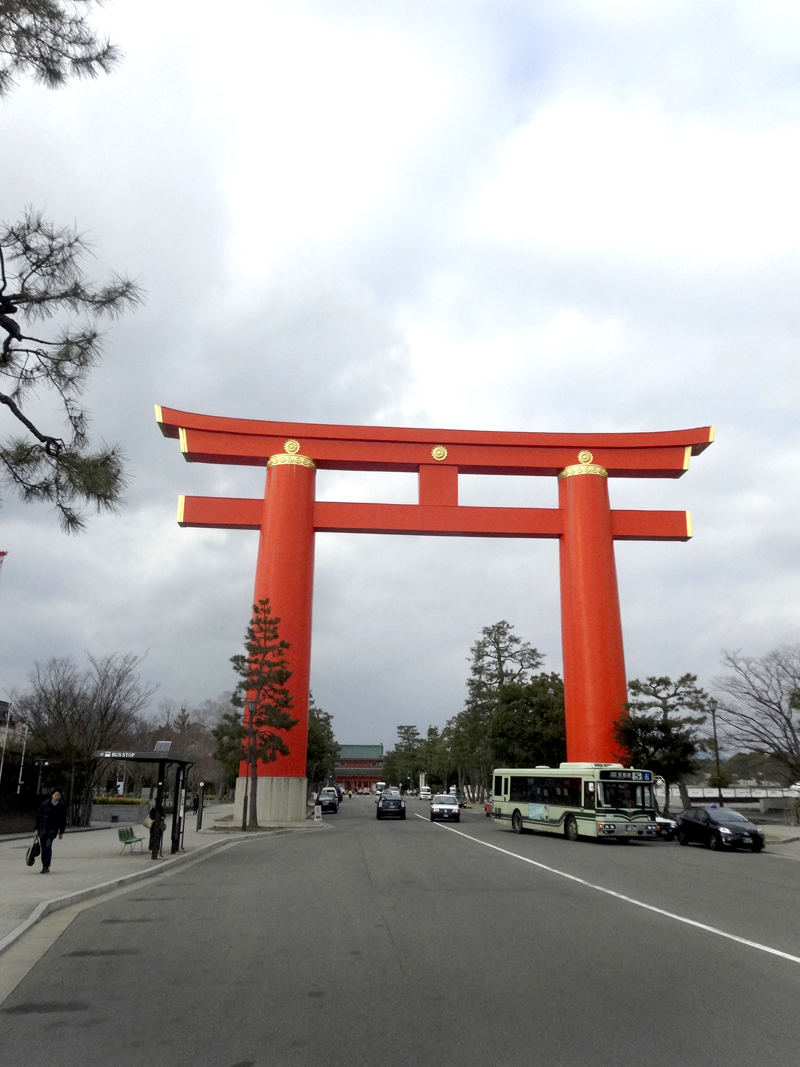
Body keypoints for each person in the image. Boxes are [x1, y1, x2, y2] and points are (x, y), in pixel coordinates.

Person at [34, 788, 67, 874]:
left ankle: (47, 865)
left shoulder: (60, 807)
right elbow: (38, 816)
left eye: (58, 795)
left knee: (48, 846)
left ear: (59, 797)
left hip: (52, 830)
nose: (56, 797)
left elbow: (62, 820)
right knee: (43, 847)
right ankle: (44, 866)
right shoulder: (44, 804)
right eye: (55, 795)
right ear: (52, 795)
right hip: (42, 829)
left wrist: (61, 832)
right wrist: (36, 829)